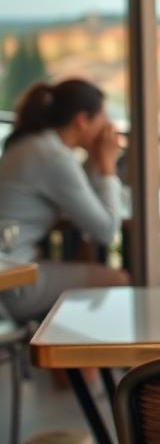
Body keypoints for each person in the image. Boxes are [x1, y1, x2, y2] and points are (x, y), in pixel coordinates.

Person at [0, 78, 128, 321]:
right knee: (118, 279)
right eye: (103, 117)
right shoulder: (54, 157)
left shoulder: (32, 144)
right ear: (82, 120)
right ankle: (82, 356)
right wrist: (107, 165)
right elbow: (107, 231)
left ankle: (76, 356)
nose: (108, 125)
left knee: (85, 256)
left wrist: (95, 160)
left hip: (9, 268)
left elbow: (86, 202)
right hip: (12, 282)